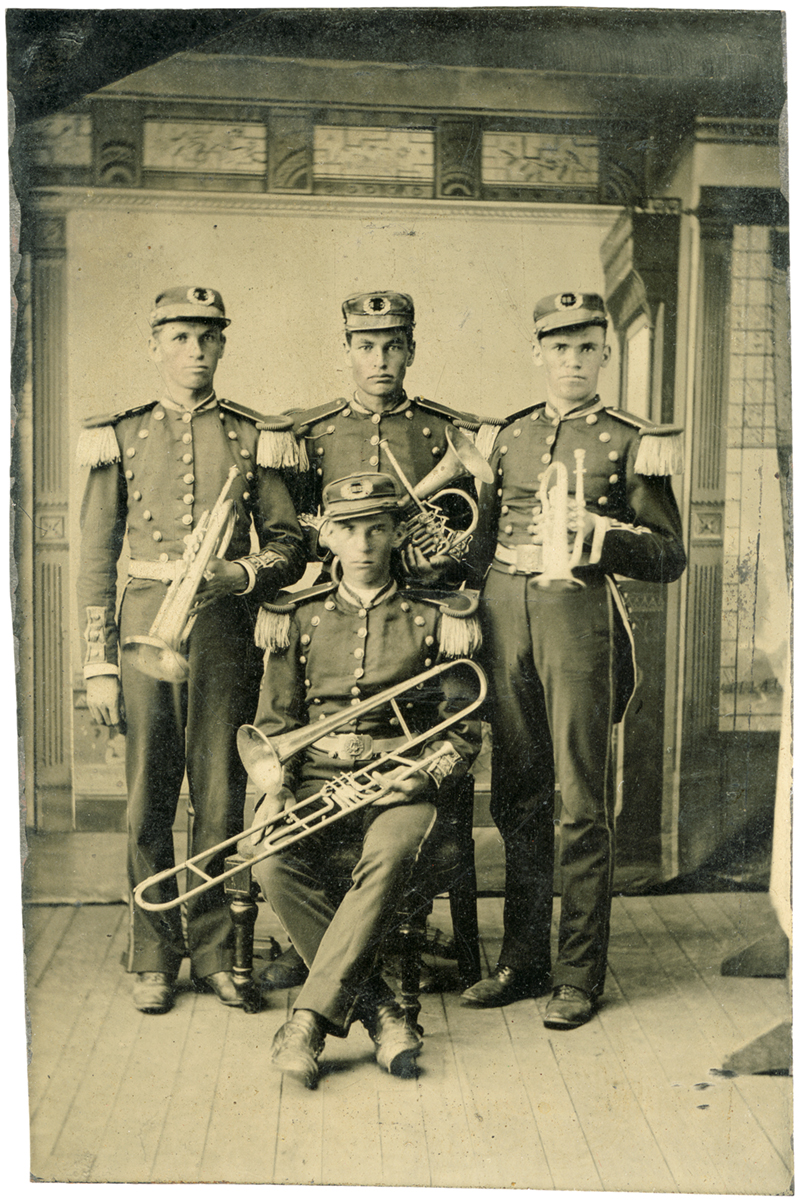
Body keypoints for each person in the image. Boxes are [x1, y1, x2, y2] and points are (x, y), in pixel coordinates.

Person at [257, 289, 496, 990]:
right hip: (332, 614)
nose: (381, 359)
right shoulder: (314, 431)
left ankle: (372, 943)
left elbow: (475, 540)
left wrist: (454, 596)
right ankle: (352, 943)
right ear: (348, 350)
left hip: (423, 622)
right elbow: (298, 533)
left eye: (394, 345)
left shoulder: (443, 429)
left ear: (412, 350)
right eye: (367, 345)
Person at [76, 285, 305, 1015]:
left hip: (223, 632)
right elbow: (93, 557)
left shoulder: (252, 434)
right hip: (145, 622)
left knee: (218, 795)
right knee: (147, 798)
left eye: (207, 338)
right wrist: (99, 664)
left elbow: (290, 542)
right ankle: (153, 952)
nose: (194, 352)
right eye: (180, 338)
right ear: (155, 346)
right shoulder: (120, 434)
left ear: (223, 346)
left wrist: (242, 571)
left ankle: (211, 951)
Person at [461, 290, 686, 1028]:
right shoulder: (509, 434)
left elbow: (669, 555)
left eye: (587, 348)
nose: (572, 361)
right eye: (559, 348)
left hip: (578, 612)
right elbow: (480, 541)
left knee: (582, 800)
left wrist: (603, 531)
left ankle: (578, 974)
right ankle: (522, 962)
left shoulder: (633, 440)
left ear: (605, 355)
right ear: (538, 353)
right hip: (503, 610)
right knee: (517, 795)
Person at [240, 472, 483, 1086]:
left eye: (377, 527)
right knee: (269, 859)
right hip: (320, 782)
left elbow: (462, 733)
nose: (364, 542)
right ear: (329, 538)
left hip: (404, 785)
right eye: (349, 529)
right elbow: (275, 727)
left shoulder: (437, 618)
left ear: (398, 532)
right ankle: (382, 1010)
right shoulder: (297, 617)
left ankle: (309, 1024)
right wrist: (277, 793)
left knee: (389, 851)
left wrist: (421, 775)